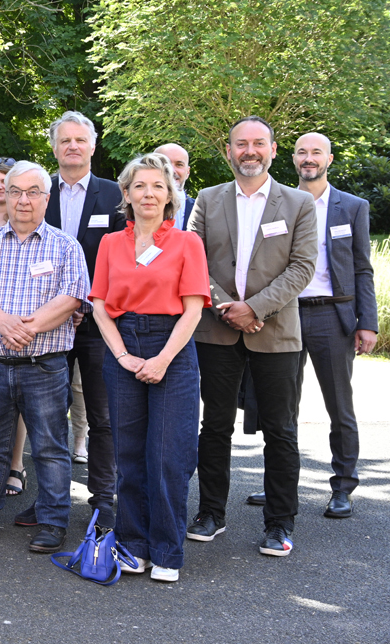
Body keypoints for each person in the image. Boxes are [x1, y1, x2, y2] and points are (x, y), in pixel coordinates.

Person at [187, 116, 317, 557]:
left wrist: (255, 309)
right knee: (215, 425)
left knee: (280, 430)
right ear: (228, 151)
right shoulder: (207, 199)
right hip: (217, 329)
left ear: (274, 150)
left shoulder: (298, 203)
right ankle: (210, 513)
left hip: (276, 331)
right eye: (240, 144)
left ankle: (280, 523)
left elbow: (302, 267)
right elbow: (194, 262)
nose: (249, 151)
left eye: (258, 143)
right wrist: (229, 307)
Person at [0, 161, 90, 554]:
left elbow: (73, 296)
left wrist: (28, 328)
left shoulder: (66, 245)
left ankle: (52, 520)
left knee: (50, 446)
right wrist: (5, 324)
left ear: (47, 198)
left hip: (44, 365)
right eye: (16, 192)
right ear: (4, 196)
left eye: (33, 192)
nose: (24, 200)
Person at [89, 153, 211, 583]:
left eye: (158, 186)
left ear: (170, 194)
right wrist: (123, 356)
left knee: (168, 457)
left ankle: (166, 552)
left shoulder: (186, 242)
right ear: (126, 193)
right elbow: (100, 307)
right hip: (122, 345)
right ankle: (134, 547)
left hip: (172, 347)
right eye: (139, 186)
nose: (148, 193)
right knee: (130, 457)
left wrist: (161, 360)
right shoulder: (109, 244)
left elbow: (194, 310)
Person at [241, 134, 377, 519]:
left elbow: (363, 268)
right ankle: (280, 488)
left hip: (331, 317)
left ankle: (343, 487)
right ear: (291, 158)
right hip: (283, 313)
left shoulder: (352, 206)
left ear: (329, 159)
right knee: (280, 407)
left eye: (316, 152)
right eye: (302, 151)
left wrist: (367, 322)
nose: (309, 158)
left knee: (339, 405)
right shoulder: (277, 201)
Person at [41, 110, 124, 528]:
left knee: (102, 416)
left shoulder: (115, 195)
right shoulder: (37, 195)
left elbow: (126, 259)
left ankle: (103, 500)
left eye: (80, 140)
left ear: (93, 145)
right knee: (49, 416)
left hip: (100, 324)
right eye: (64, 140)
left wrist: (87, 306)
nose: (72, 146)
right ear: (54, 148)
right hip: (48, 323)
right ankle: (49, 502)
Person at [0, 158, 27, 493]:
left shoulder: (29, 217)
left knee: (21, 401)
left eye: (5, 182)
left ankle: (16, 464)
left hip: (24, 327)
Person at [154, 144, 194, 230]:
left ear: (187, 172)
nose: (171, 170)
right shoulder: (136, 209)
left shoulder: (201, 210)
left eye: (179, 164)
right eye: (165, 163)